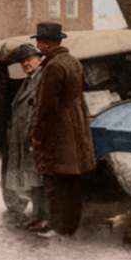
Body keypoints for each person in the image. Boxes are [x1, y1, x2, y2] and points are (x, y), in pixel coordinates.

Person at [30, 22, 96, 238]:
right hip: (76, 127)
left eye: (39, 41)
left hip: (58, 131)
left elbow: (46, 106)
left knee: (55, 180)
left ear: (47, 44)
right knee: (72, 180)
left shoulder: (53, 67)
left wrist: (38, 135)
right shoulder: (74, 62)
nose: (37, 45)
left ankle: (58, 227)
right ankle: (70, 226)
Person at [4, 43, 49, 232]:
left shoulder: (42, 80)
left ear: (39, 59)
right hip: (24, 137)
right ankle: (38, 216)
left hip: (36, 137)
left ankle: (45, 217)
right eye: (23, 61)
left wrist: (35, 134)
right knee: (33, 179)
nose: (25, 64)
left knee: (41, 179)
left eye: (29, 59)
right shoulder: (29, 80)